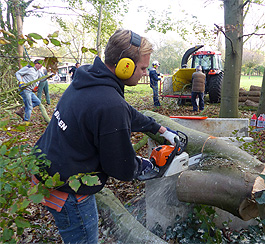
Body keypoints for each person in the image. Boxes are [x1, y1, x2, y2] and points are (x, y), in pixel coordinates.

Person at [33, 29, 178, 244]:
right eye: (143, 68)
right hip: (70, 192)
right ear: (125, 66)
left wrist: (160, 129)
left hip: (49, 170)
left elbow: (126, 112)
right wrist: (144, 166)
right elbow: (119, 165)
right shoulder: (109, 103)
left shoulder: (88, 79)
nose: (144, 73)